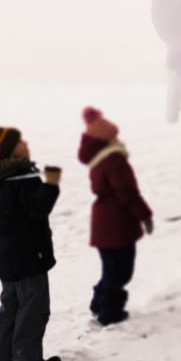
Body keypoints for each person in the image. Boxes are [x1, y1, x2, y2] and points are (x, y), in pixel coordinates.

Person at [0, 126, 62, 361]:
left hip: (6, 259)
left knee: (10, 311)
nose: (26, 143)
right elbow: (37, 209)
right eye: (19, 141)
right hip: (29, 258)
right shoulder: (23, 178)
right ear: (9, 149)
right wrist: (51, 184)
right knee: (33, 312)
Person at [77, 105, 153, 325]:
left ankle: (99, 303)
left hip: (103, 221)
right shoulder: (114, 160)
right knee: (120, 271)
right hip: (117, 223)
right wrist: (144, 215)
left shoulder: (100, 159)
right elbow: (127, 192)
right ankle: (110, 313)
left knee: (111, 268)